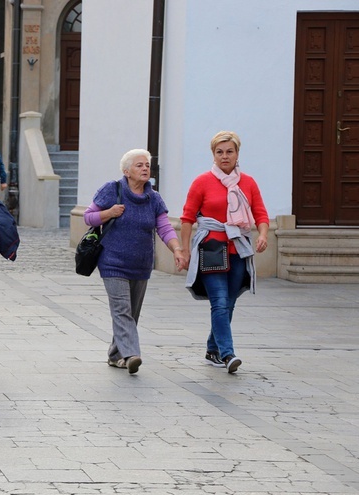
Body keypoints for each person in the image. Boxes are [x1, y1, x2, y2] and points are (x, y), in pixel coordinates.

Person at [84, 149, 184, 375]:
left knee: (132, 313)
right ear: (126, 171)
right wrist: (109, 212)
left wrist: (176, 249)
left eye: (147, 165)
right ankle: (131, 355)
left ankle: (115, 355)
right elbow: (88, 217)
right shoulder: (112, 190)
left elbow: (165, 227)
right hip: (113, 262)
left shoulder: (154, 198)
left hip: (141, 264)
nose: (145, 168)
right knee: (122, 310)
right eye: (139, 165)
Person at [180, 131, 269, 374]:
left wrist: (262, 235)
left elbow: (260, 214)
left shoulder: (248, 183)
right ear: (213, 155)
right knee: (219, 302)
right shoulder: (202, 182)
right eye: (219, 152)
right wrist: (184, 250)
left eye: (229, 151)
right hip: (211, 248)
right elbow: (187, 218)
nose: (224, 156)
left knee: (228, 303)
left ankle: (212, 349)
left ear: (237, 153)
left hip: (238, 248)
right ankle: (228, 353)